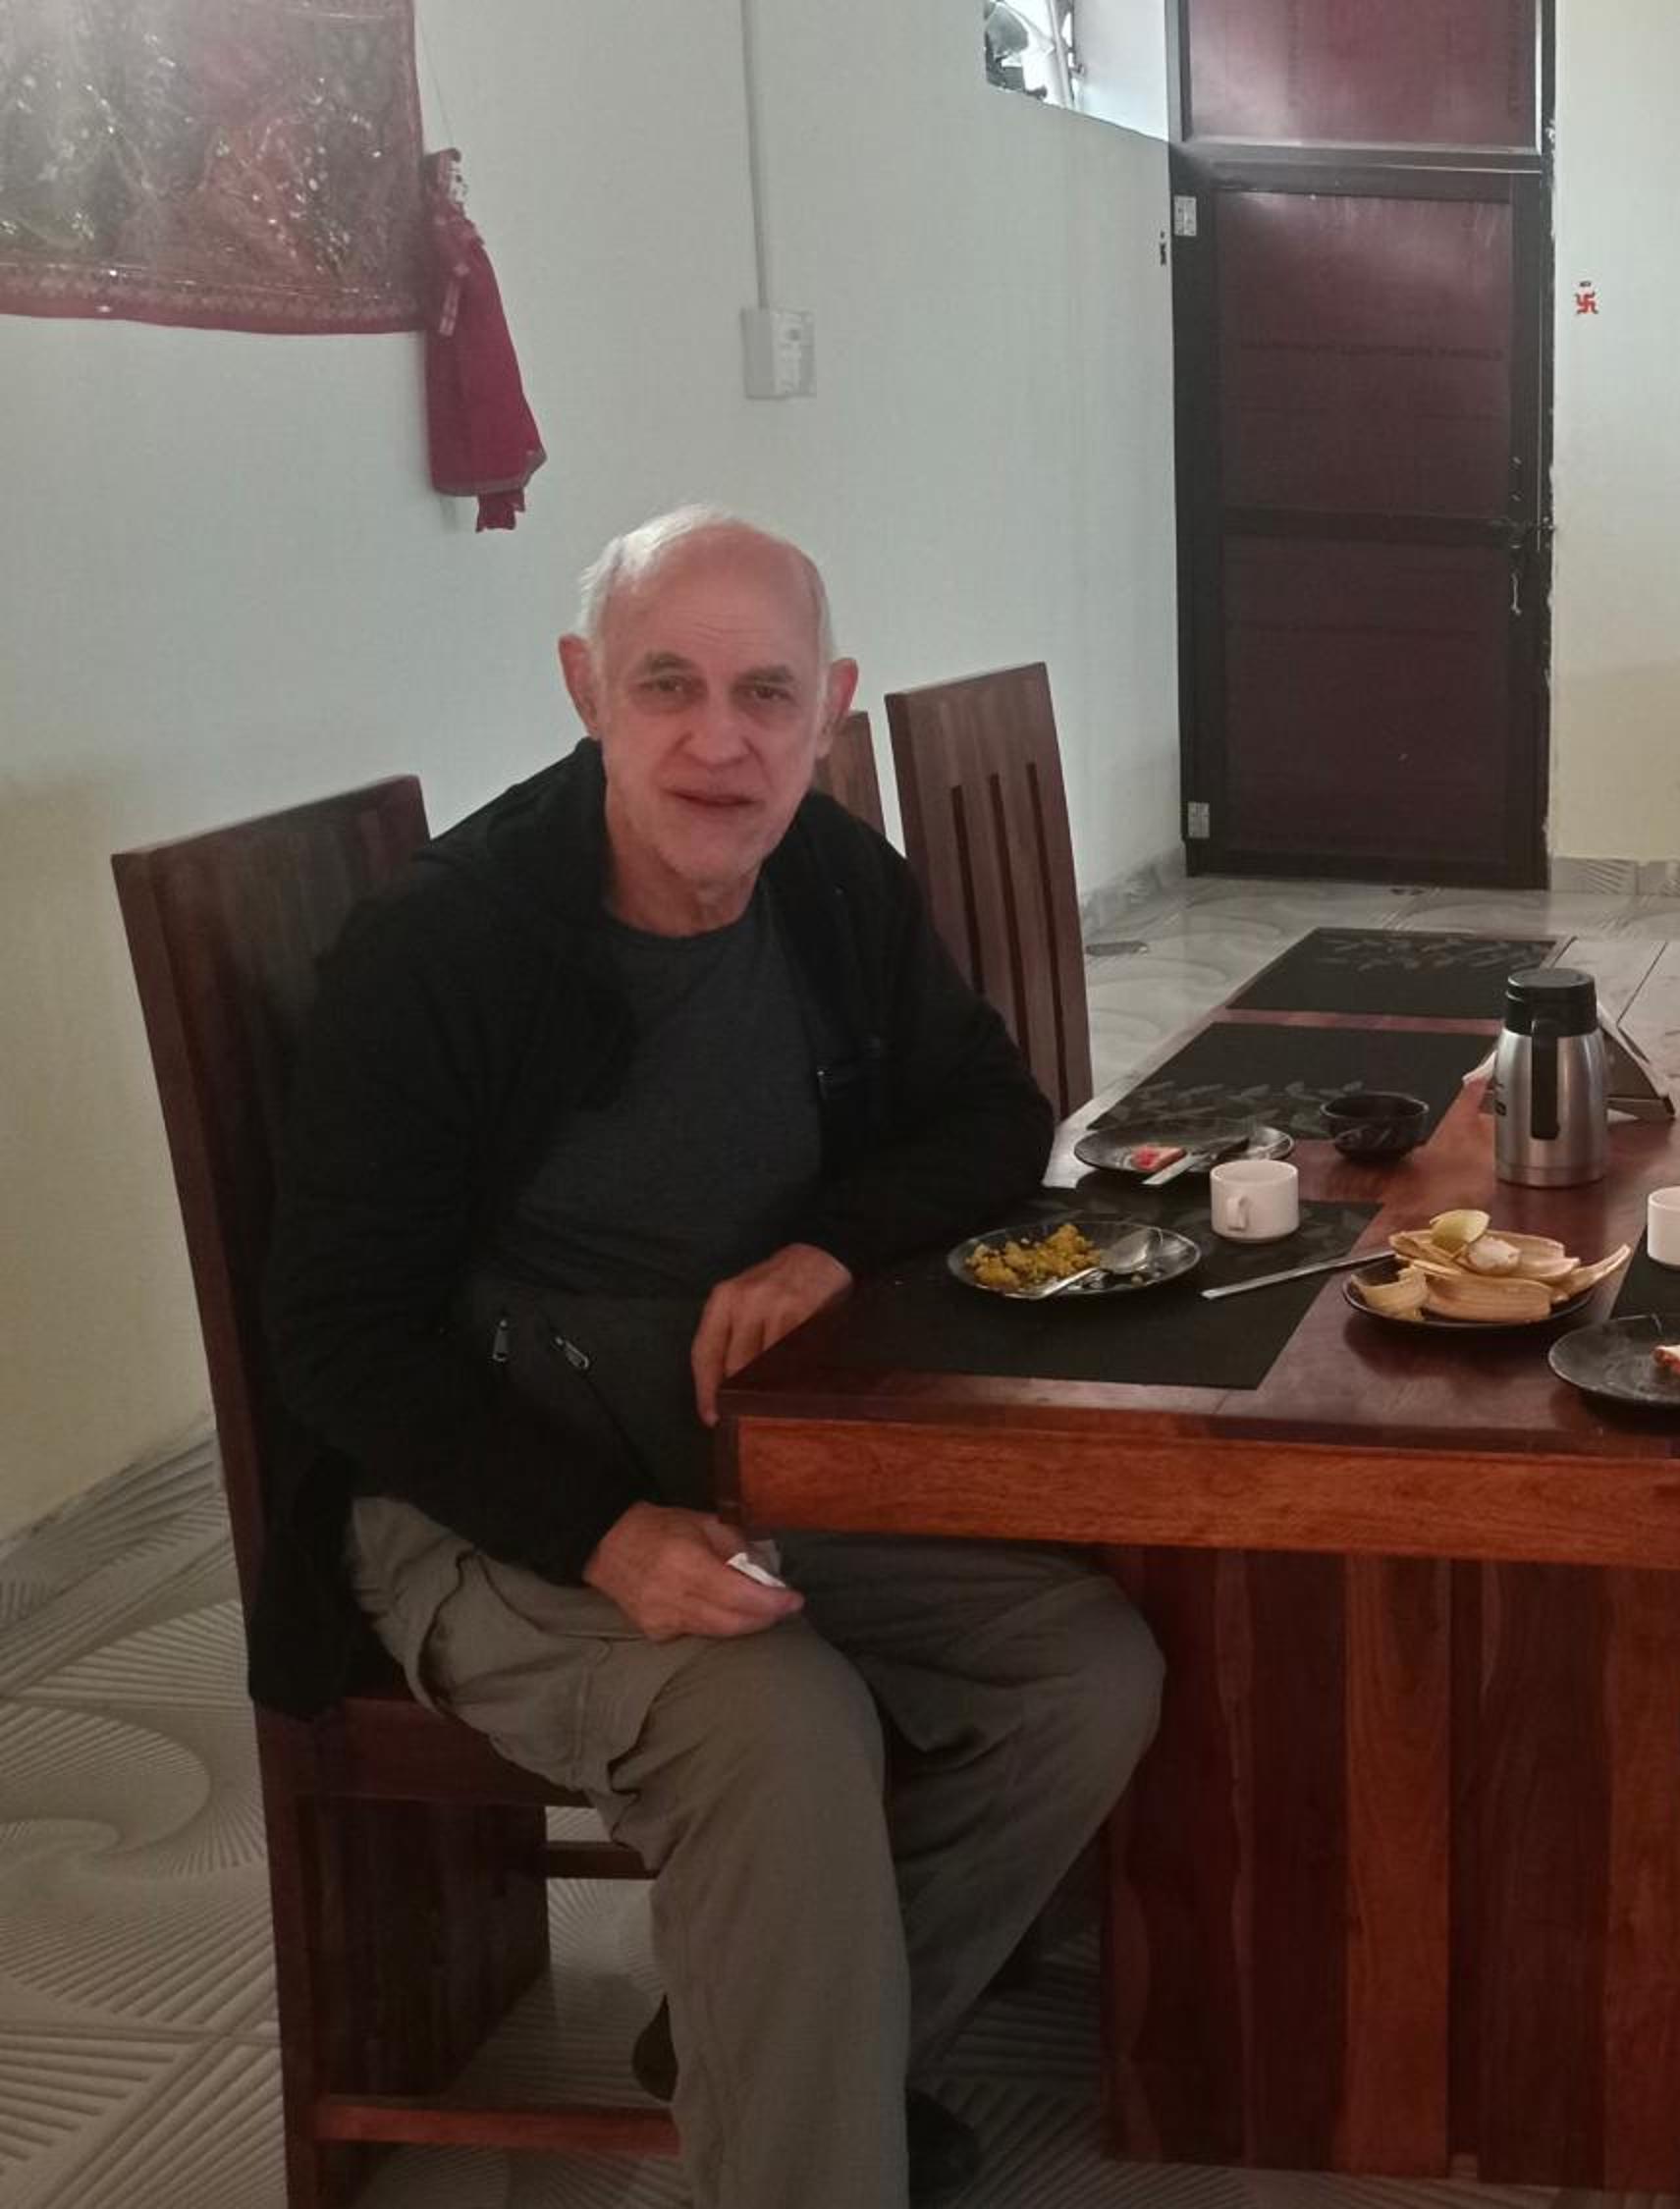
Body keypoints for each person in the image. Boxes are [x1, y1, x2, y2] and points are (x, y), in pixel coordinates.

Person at [262, 508, 1165, 2208]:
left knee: (1084, 1669)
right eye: (666, 684)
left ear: (831, 707)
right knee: (778, 1724)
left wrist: (827, 1244)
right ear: (583, 688)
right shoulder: (449, 949)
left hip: (752, 1464)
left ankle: (785, 2043)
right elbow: (331, 1333)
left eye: (765, 694)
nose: (718, 741)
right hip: (484, 1502)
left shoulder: (826, 878)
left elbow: (995, 1109)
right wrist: (601, 1535)